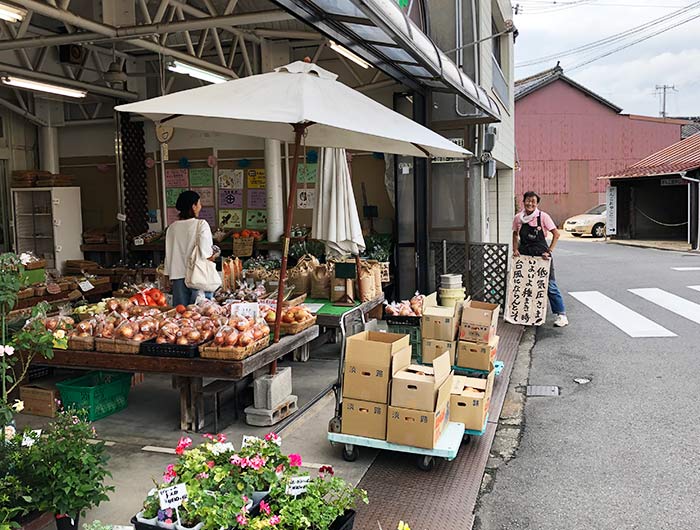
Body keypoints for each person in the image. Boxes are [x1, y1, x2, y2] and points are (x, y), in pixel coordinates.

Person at [512, 191, 568, 327]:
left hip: (542, 257)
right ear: (523, 201)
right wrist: (515, 250)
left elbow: (556, 234)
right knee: (526, 285)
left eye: (533, 201)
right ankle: (527, 314)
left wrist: (549, 251)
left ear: (537, 204)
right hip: (525, 256)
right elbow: (515, 234)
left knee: (550, 286)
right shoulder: (518, 218)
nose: (530, 203)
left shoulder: (543, 217)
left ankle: (561, 315)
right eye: (528, 200)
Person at [164, 190, 219, 306]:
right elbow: (206, 252)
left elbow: (168, 255)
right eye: (199, 203)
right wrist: (213, 254)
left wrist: (167, 275)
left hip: (177, 276)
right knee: (201, 316)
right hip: (198, 276)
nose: (200, 206)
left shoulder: (171, 228)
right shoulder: (201, 225)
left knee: (182, 317)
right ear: (193, 206)